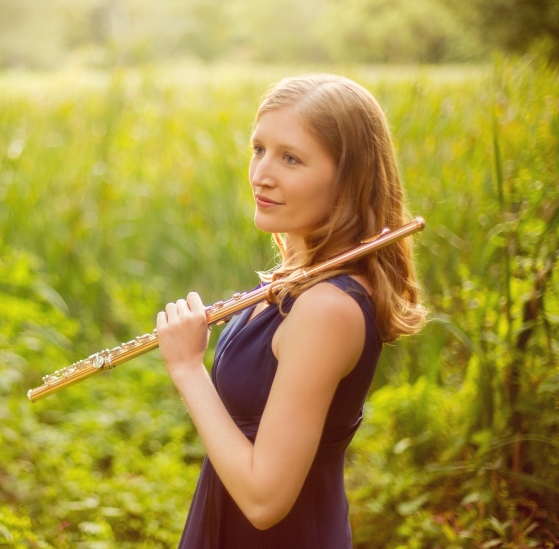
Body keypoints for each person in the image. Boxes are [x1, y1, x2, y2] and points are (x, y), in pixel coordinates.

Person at [155, 74, 427, 549]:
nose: (262, 174)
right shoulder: (298, 281)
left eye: (291, 158)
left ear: (349, 178)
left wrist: (186, 367)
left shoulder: (327, 309)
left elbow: (264, 500)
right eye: (259, 149)